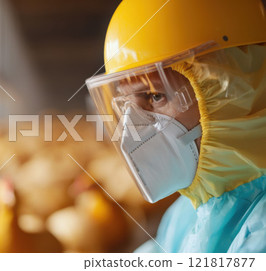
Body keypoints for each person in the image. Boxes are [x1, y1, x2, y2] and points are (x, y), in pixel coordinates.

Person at [86, 0, 266, 252]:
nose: (132, 128)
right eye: (126, 104)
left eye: (154, 96)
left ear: (233, 90)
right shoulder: (188, 214)